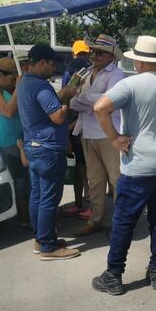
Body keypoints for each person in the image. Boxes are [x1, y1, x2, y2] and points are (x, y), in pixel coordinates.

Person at [91, 35, 156, 295]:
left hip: (137, 165)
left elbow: (100, 108)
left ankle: (114, 274)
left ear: (139, 61)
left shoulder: (131, 85)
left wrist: (115, 138)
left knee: (125, 220)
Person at [16, 43, 80, 261]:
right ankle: (48, 246)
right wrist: (67, 97)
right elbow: (58, 117)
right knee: (49, 198)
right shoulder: (41, 87)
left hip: (34, 146)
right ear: (41, 62)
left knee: (38, 195)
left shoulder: (24, 82)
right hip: (48, 149)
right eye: (51, 64)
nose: (53, 68)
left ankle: (40, 238)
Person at [67, 34, 125, 236]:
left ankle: (119, 224)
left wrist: (85, 99)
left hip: (107, 132)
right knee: (94, 179)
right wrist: (90, 101)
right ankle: (96, 219)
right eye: (93, 51)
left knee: (116, 179)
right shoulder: (87, 72)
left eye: (100, 52)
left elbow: (110, 100)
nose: (95, 55)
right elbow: (72, 100)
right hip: (88, 131)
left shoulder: (116, 74)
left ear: (110, 55)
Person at [0, 57, 29, 226]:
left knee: (28, 180)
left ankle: (29, 213)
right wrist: (18, 88)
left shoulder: (10, 88)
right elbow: (7, 111)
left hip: (23, 140)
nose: (13, 81)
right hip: (8, 143)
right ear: (2, 74)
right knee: (20, 181)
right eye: (12, 77)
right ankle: (23, 217)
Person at [59, 40, 92, 218]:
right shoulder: (91, 71)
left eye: (83, 55)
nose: (82, 58)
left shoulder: (69, 72)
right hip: (80, 128)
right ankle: (85, 203)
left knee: (84, 168)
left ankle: (86, 204)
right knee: (84, 167)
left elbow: (65, 98)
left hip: (77, 128)